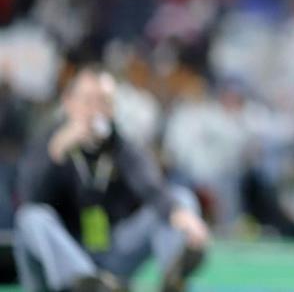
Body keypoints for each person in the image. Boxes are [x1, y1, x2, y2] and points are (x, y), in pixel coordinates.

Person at [15, 66, 210, 292]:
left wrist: (180, 214)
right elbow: (29, 198)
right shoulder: (47, 143)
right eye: (88, 101)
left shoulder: (122, 146)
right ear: (68, 102)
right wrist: (56, 154)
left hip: (112, 253)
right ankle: (86, 283)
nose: (96, 110)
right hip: (63, 259)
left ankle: (174, 278)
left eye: (105, 102)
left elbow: (151, 186)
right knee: (31, 217)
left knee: (179, 199)